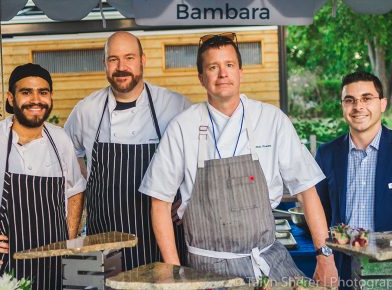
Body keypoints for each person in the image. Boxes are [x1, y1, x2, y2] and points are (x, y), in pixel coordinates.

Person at [139, 33, 338, 286]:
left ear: (241, 72)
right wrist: (176, 275)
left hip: (267, 262)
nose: (223, 73)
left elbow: (306, 191)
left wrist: (325, 256)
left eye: (229, 65)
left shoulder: (272, 120)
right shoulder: (182, 127)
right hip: (207, 271)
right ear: (201, 78)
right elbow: (159, 203)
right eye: (213, 67)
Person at [64, 31, 190, 270]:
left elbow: (200, 156)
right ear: (105, 64)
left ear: (143, 60)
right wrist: (87, 182)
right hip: (105, 239)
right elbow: (68, 153)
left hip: (161, 241)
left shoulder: (175, 105)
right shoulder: (86, 110)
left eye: (129, 58)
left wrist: (186, 199)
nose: (121, 67)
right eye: (113, 59)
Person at [0, 63, 85, 289]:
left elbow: (75, 191)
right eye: (26, 92)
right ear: (11, 98)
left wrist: (69, 241)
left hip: (53, 263)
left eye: (42, 92)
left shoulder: (60, 139)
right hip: (5, 264)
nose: (36, 100)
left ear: (50, 97)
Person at [315, 71, 392, 288]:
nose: (358, 107)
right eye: (350, 100)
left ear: (383, 104)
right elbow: (321, 213)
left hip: (389, 269)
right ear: (343, 106)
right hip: (342, 268)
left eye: (367, 98)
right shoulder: (326, 154)